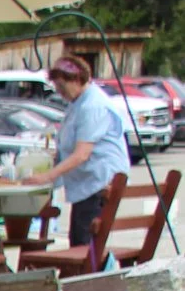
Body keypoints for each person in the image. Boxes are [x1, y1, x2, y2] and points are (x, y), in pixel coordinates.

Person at [27, 57, 130, 265]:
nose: (60, 91)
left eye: (62, 85)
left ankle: (87, 288)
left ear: (77, 79)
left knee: (83, 245)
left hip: (98, 185)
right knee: (80, 240)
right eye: (56, 86)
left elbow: (81, 154)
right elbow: (67, 148)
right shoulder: (78, 104)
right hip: (88, 186)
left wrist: (48, 176)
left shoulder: (92, 106)